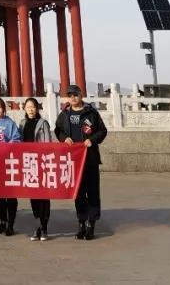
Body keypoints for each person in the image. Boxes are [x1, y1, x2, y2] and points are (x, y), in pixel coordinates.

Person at [54, 84, 108, 240]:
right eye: (70, 95)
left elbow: (102, 131)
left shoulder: (91, 112)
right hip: (73, 160)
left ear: (81, 95)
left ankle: (92, 223)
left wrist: (92, 140)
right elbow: (58, 130)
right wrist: (64, 138)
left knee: (92, 192)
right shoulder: (64, 114)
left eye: (75, 94)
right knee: (78, 193)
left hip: (90, 159)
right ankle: (81, 222)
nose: (73, 98)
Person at [0, 96, 21, 236]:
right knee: (0, 194)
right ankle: (3, 222)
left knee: (11, 194)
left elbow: (16, 139)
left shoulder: (10, 123)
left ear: (4, 108)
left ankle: (10, 224)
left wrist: (7, 147)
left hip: (8, 162)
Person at [21, 97, 53, 241]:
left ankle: (44, 227)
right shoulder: (22, 124)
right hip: (28, 164)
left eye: (33, 107)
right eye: (28, 107)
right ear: (25, 109)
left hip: (41, 164)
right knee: (33, 196)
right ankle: (37, 226)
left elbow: (47, 144)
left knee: (43, 196)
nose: (30, 109)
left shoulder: (43, 123)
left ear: (37, 108)